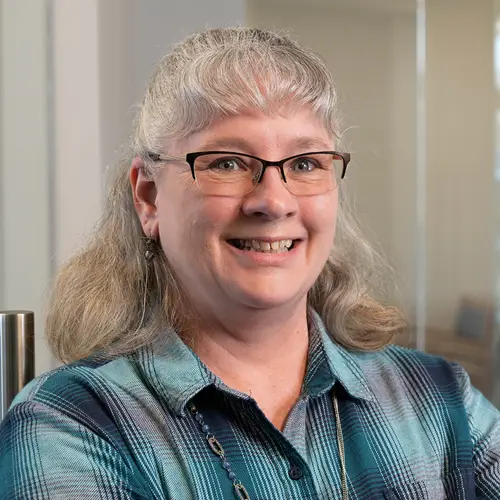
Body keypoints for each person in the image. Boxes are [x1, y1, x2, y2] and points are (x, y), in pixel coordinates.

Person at [0, 27, 499, 500]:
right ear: (149, 197)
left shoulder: (437, 399)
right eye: (227, 163)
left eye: (305, 164)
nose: (273, 202)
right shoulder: (73, 424)